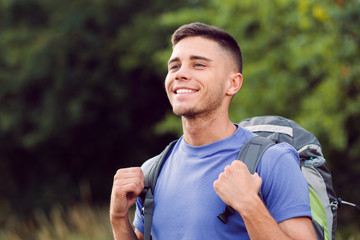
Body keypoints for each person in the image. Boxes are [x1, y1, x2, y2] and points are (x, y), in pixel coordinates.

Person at [110, 22, 316, 240]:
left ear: (233, 84)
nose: (181, 74)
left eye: (198, 65)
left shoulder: (272, 160)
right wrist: (118, 218)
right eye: (174, 66)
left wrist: (249, 205)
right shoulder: (152, 171)